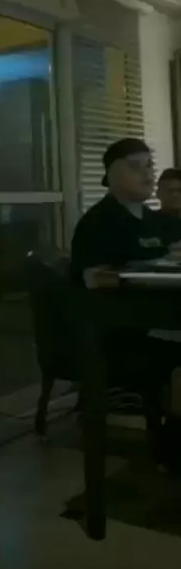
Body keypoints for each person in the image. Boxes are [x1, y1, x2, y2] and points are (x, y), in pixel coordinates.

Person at [71, 138, 181, 471]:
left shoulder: (155, 220)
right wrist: (146, 270)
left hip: (161, 321)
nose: (147, 174)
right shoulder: (99, 222)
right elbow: (94, 279)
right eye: (136, 167)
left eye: (149, 166)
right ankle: (173, 445)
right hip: (120, 333)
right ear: (111, 174)